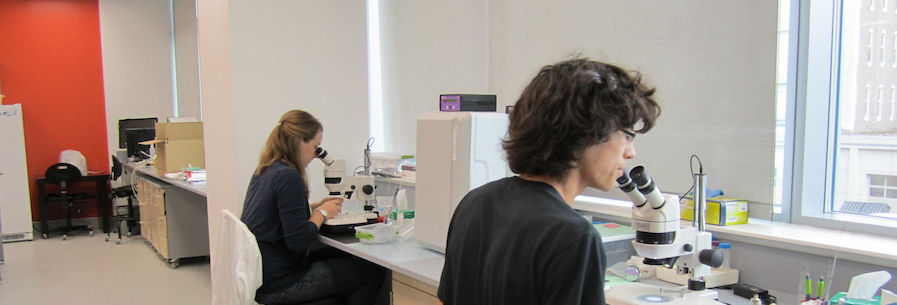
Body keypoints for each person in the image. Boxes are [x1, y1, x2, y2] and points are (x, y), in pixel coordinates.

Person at [437, 58, 661, 305]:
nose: (631, 152)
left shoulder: (476, 201)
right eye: (627, 135)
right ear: (585, 132)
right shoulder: (573, 236)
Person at [241, 110, 385, 305]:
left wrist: (313, 207)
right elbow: (299, 241)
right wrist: (322, 213)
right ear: (300, 141)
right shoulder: (288, 177)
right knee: (372, 269)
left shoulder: (266, 170)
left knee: (341, 254)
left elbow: (275, 214)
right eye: (315, 146)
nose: (317, 155)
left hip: (263, 277)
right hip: (281, 285)